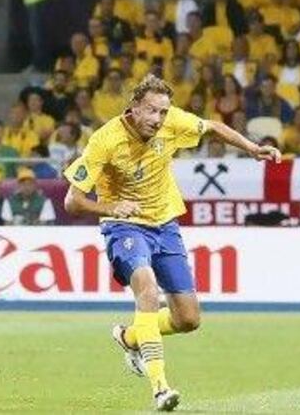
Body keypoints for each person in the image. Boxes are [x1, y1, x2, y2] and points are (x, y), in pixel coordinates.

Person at [63, 74, 281, 412]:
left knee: (188, 319)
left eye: (163, 112)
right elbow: (72, 201)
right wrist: (110, 207)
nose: (158, 119)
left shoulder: (173, 122)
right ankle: (160, 388)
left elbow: (210, 126)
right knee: (147, 290)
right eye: (151, 111)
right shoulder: (104, 140)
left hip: (165, 225)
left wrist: (252, 148)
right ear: (133, 108)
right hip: (125, 227)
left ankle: (129, 337)